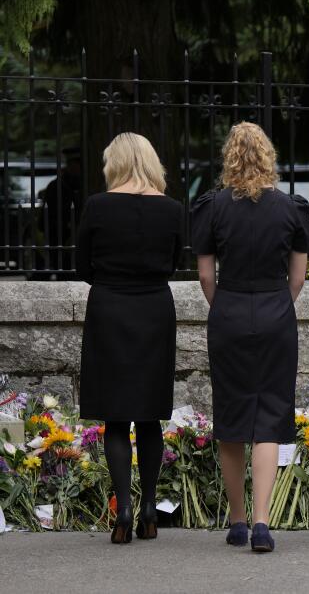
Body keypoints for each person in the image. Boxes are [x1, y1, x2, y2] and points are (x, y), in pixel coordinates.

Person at [192, 122, 309, 552]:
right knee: (269, 415)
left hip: (229, 312)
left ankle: (237, 520)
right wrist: (277, 303)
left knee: (232, 415)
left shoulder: (213, 207)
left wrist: (224, 306)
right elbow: (298, 278)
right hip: (277, 311)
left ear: (229, 157)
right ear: (268, 156)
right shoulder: (292, 209)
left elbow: (206, 275)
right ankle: (263, 522)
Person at [75, 133, 183, 544]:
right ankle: (150, 508)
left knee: (116, 415)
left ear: (113, 163)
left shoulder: (98, 206)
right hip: (155, 308)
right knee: (149, 413)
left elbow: (81, 263)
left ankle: (123, 511)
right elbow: (174, 263)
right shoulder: (171, 209)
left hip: (109, 309)